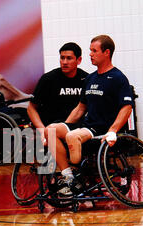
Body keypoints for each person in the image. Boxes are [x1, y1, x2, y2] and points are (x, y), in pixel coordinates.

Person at [52, 35, 134, 196]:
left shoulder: (118, 78)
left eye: (94, 51)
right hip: (88, 126)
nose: (90, 54)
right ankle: (68, 176)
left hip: (103, 128)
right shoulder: (90, 78)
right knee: (51, 130)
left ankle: (76, 180)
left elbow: (127, 108)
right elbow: (80, 109)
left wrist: (113, 130)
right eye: (90, 50)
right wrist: (65, 126)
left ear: (106, 53)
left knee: (72, 137)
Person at [27, 42, 88, 144]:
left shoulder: (86, 79)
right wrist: (42, 130)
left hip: (74, 128)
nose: (64, 62)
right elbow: (31, 108)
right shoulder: (48, 78)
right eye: (62, 58)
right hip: (50, 127)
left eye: (69, 58)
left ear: (79, 60)